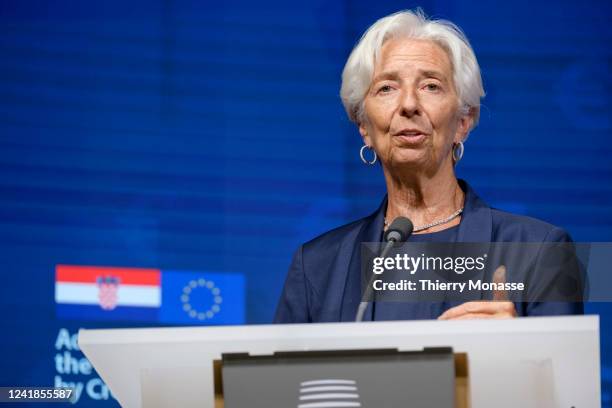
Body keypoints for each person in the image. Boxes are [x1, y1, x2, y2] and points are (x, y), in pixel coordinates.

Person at [274, 9, 583, 323]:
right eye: (386, 88)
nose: (409, 104)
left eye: (431, 86)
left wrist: (515, 345)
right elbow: (280, 373)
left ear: (464, 120)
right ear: (364, 126)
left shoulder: (539, 251)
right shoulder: (315, 267)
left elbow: (567, 370)